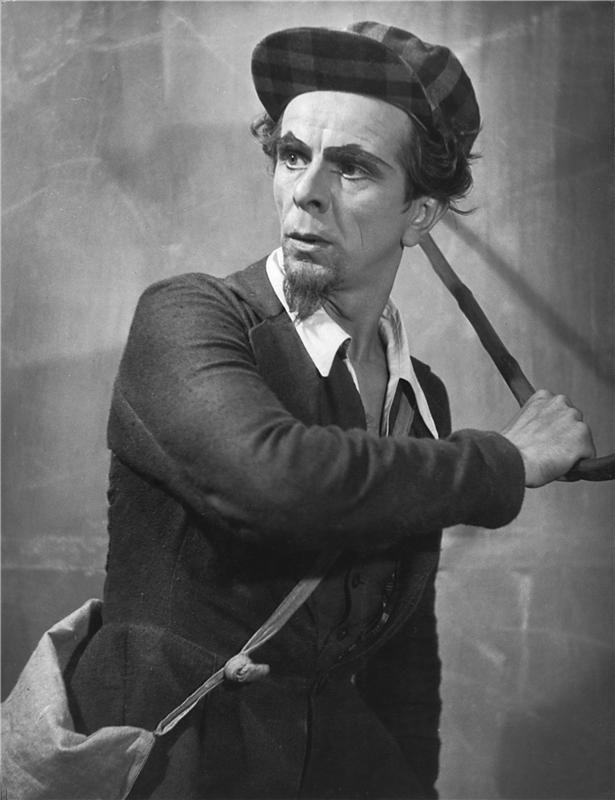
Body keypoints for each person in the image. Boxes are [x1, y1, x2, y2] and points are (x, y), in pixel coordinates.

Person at [67, 22, 594, 800]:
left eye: (351, 167)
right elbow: (276, 482)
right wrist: (505, 461)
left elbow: (401, 656)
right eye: (291, 155)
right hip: (168, 773)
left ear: (419, 215)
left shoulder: (417, 395)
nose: (305, 190)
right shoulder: (189, 318)